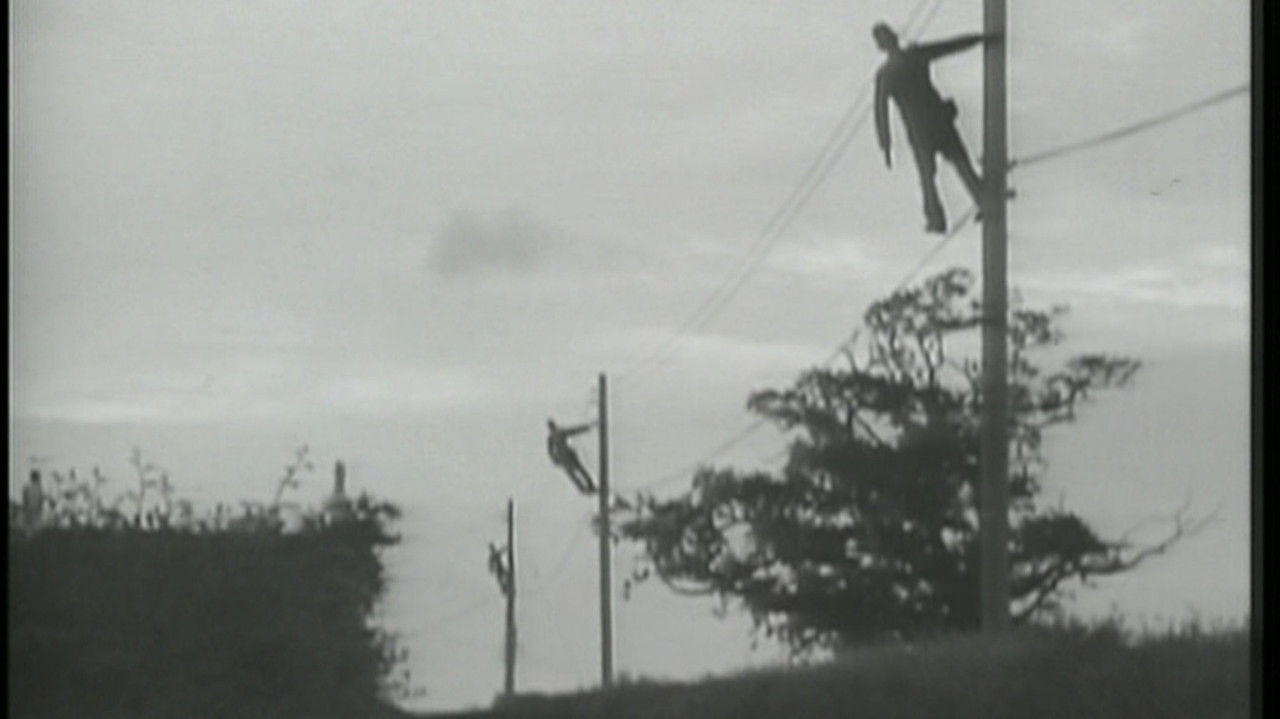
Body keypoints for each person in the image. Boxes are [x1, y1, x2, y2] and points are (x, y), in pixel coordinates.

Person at [872, 22, 993, 233]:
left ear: (881, 46)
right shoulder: (915, 55)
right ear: (894, 37)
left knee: (929, 178)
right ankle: (982, 201)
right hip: (938, 120)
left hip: (920, 131)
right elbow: (950, 46)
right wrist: (980, 39)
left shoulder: (887, 74)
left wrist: (886, 145)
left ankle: (937, 220)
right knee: (960, 165)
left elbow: (880, 112)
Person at [546, 419, 596, 494]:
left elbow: (550, 452)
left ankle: (585, 487)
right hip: (567, 455)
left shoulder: (552, 436)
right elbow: (574, 431)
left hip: (564, 456)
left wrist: (555, 460)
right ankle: (589, 485)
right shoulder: (556, 435)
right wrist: (588, 427)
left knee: (575, 473)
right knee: (579, 470)